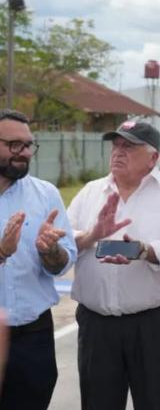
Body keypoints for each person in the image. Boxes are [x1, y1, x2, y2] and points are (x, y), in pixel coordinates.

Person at [67, 120, 160, 410]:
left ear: (153, 157)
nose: (118, 151)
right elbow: (64, 241)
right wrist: (92, 235)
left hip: (155, 324)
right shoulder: (91, 192)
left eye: (129, 146)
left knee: (159, 402)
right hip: (97, 324)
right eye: (116, 145)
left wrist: (145, 251)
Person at [0, 109, 77, 410]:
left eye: (29, 145)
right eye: (14, 145)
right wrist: (2, 252)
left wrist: (50, 251)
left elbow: (62, 263)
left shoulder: (45, 194)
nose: (25, 153)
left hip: (34, 338)